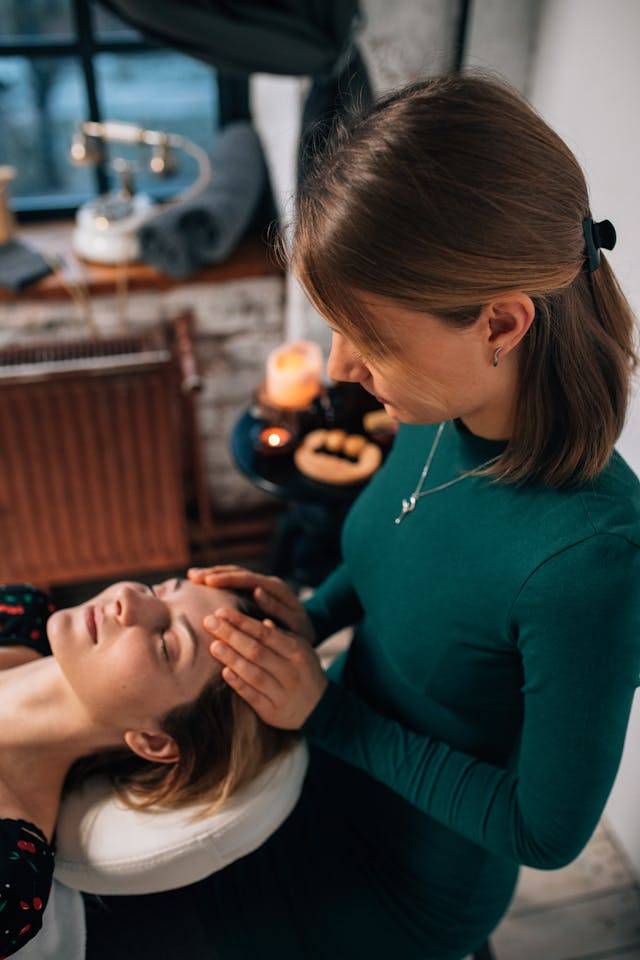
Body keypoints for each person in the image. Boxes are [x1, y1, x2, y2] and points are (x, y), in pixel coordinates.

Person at [81, 69, 640, 960]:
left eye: (369, 339)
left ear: (499, 325)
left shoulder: (592, 559)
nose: (340, 368)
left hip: (407, 880)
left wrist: (327, 716)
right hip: (324, 770)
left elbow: (547, 832)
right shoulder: (439, 412)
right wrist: (313, 610)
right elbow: (402, 560)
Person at [0, 577, 294, 958]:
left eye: (166, 645)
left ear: (155, 741)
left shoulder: (14, 876)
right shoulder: (20, 612)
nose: (127, 599)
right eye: (159, 591)